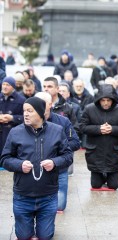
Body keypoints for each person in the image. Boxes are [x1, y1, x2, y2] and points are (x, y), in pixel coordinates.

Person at [0, 97, 73, 240]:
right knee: (23, 235)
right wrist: (19, 165)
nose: (25, 114)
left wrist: (54, 162)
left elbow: (68, 156)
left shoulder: (57, 131)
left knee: (45, 236)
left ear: (40, 113)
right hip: (23, 195)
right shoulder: (15, 132)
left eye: (30, 111)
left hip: (48, 194)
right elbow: (5, 159)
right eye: (24, 111)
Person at [79, 84, 118, 189]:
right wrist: (98, 129)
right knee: (96, 185)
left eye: (108, 100)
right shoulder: (89, 109)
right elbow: (82, 127)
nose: (106, 103)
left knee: (113, 186)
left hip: (113, 152)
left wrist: (113, 129)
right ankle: (101, 177)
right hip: (95, 152)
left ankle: (107, 176)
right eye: (103, 100)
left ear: (113, 100)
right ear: (99, 99)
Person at [35, 92, 80, 211]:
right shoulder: (28, 122)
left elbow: (75, 142)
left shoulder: (63, 121)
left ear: (50, 105)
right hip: (35, 169)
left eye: (42, 104)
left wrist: (55, 148)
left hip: (59, 169)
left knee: (59, 206)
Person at [0, 77, 26, 152]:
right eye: (3, 84)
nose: (5, 87)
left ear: (13, 87)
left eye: (7, 85)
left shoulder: (21, 100)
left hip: (13, 135)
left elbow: (25, 117)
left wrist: (12, 118)